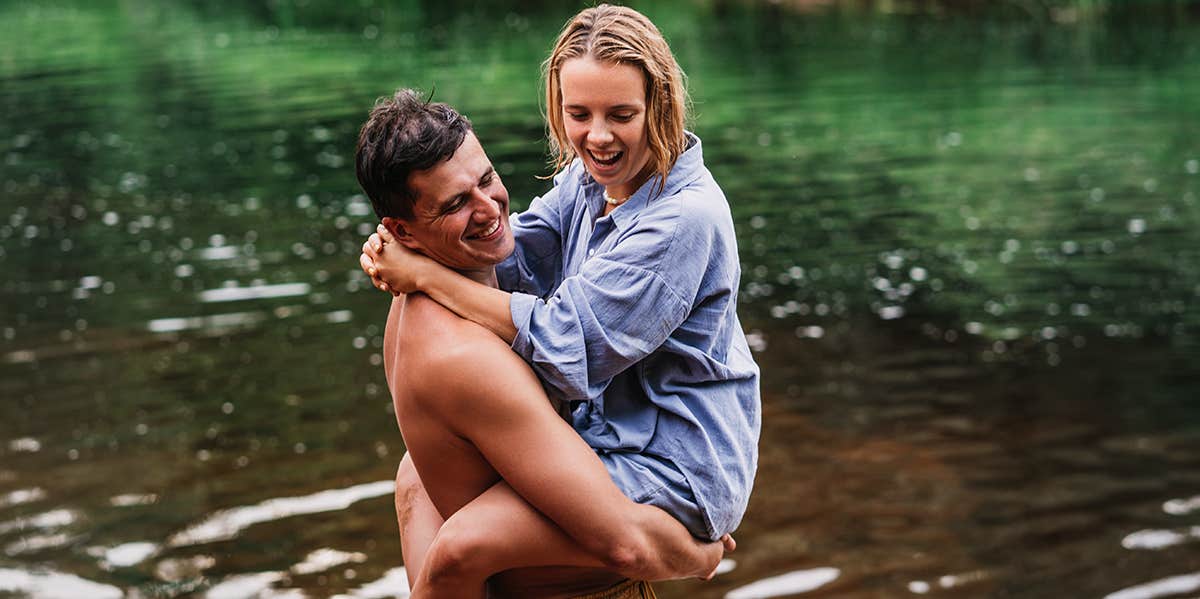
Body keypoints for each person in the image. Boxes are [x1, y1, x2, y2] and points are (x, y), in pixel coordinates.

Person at [362, 3, 761, 583]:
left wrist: (425, 274)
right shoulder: (592, 178)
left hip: (675, 461)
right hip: (609, 430)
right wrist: (416, 242)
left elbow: (564, 343)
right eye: (579, 114)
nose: (596, 137)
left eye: (621, 114)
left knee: (459, 549)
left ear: (661, 105)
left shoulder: (682, 218)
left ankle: (688, 554)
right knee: (412, 480)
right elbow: (517, 250)